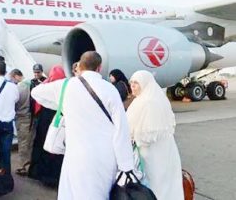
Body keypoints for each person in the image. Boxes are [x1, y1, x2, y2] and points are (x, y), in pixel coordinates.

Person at [31, 51, 134, 199]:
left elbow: (36, 92)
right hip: (104, 156)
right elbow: (121, 129)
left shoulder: (66, 86)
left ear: (79, 65)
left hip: (76, 155)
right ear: (99, 68)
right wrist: (125, 164)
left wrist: (60, 104)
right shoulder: (110, 90)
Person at [126, 70, 184, 200]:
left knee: (158, 185)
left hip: (154, 154)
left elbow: (149, 134)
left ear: (145, 84)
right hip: (153, 152)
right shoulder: (141, 100)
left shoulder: (150, 103)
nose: (133, 86)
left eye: (136, 83)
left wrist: (131, 137)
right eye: (132, 83)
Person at [28, 65, 66, 187]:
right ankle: (55, 178)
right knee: (57, 149)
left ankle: (38, 173)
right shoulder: (65, 87)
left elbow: (36, 102)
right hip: (58, 122)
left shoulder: (46, 85)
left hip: (44, 121)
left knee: (41, 145)